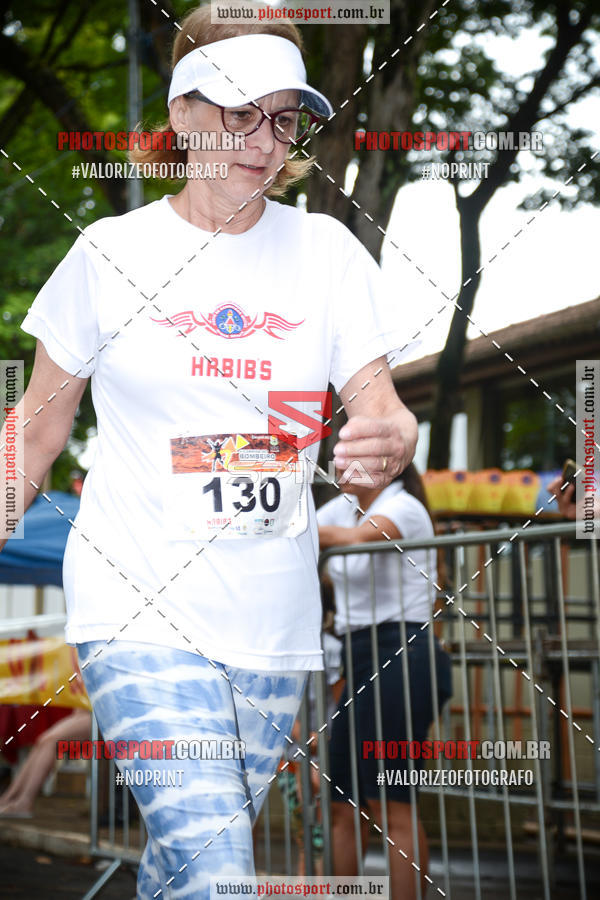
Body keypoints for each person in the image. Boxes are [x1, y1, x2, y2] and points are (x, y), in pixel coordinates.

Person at [1, 3, 419, 897]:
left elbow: (379, 408)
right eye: (238, 112)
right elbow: (33, 434)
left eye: (282, 116)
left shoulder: (329, 253)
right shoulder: (109, 253)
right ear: (183, 113)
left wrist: (390, 435)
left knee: (183, 864)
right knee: (220, 868)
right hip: (135, 604)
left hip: (271, 624)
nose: (264, 141)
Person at [317, 463, 452, 900]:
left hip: (404, 652)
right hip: (357, 654)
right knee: (341, 805)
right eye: (338, 453)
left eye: (354, 454)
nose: (339, 463)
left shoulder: (404, 506)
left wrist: (294, 531)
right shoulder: (341, 508)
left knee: (391, 803)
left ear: (387, 464)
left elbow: (357, 540)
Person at [0, 708, 91, 818]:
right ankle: (8, 798)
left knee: (50, 741)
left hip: (101, 715)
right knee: (43, 740)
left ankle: (24, 802)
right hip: (86, 712)